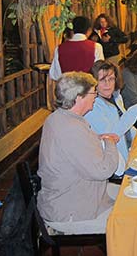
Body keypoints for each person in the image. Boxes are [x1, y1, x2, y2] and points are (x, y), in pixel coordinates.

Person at [37, 72, 120, 234]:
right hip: (72, 211)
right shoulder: (71, 128)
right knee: (133, 218)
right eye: (93, 92)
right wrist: (110, 143)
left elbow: (73, 146)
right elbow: (104, 171)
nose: (95, 96)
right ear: (79, 98)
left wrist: (97, 138)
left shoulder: (58, 118)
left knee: (130, 193)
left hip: (69, 195)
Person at [85, 61, 137, 167]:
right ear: (94, 82)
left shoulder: (116, 97)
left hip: (130, 152)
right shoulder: (92, 107)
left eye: (111, 79)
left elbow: (127, 127)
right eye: (102, 80)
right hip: (115, 164)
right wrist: (135, 111)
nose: (108, 84)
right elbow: (112, 136)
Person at [49, 16, 104, 81]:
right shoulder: (96, 47)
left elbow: (54, 75)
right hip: (88, 88)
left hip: (67, 88)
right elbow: (100, 72)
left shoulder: (59, 48)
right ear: (89, 30)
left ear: (72, 29)